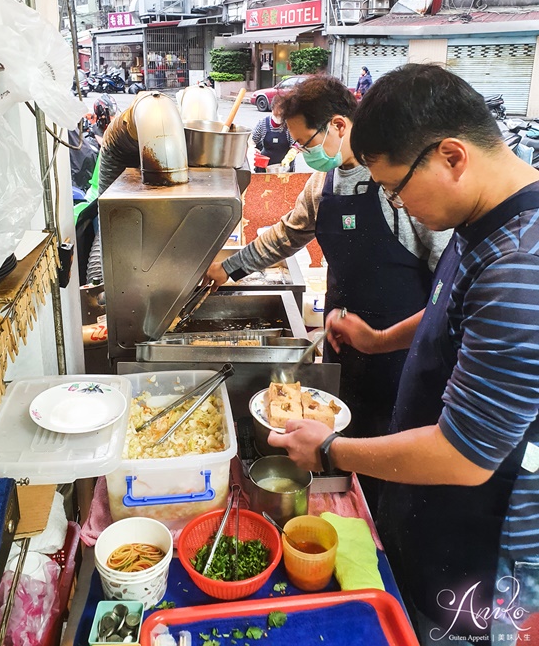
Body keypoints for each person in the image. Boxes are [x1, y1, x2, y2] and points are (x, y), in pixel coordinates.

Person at [269, 63, 539, 643]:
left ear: (452, 156)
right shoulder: (487, 222)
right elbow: (450, 309)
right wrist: (382, 338)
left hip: (483, 547)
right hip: (436, 509)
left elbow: (466, 457)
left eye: (396, 186)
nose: (395, 201)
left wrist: (333, 450)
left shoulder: (521, 267)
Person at [206, 75, 450, 466]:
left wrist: (398, 340)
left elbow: (450, 284)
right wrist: (230, 267)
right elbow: (286, 235)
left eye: (306, 142)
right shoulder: (323, 182)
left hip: (404, 348)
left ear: (338, 124)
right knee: (340, 434)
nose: (302, 152)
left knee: (391, 446)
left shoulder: (400, 184)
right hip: (342, 341)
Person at [251, 95, 295, 172]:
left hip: (284, 168)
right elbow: (252, 141)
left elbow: (295, 145)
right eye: (276, 113)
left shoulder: (289, 125)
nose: (278, 116)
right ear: (272, 109)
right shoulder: (263, 123)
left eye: (281, 114)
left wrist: (289, 157)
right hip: (264, 166)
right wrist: (253, 150)